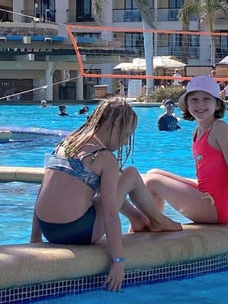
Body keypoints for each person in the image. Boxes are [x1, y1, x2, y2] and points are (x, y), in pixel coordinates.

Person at [30, 97, 182, 292]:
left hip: (49, 230)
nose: (125, 141)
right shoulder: (105, 157)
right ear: (115, 125)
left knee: (106, 185)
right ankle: (157, 220)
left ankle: (138, 219)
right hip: (77, 232)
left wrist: (35, 238)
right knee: (131, 174)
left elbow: (42, 191)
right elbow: (110, 213)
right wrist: (118, 261)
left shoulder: (65, 144)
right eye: (126, 135)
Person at [143, 75, 228, 238]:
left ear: (216, 104)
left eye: (206, 99)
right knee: (153, 173)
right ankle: (155, 221)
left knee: (152, 182)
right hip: (206, 196)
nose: (200, 104)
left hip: (216, 208)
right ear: (187, 104)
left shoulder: (220, 129)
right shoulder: (198, 131)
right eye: (194, 99)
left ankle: (156, 223)